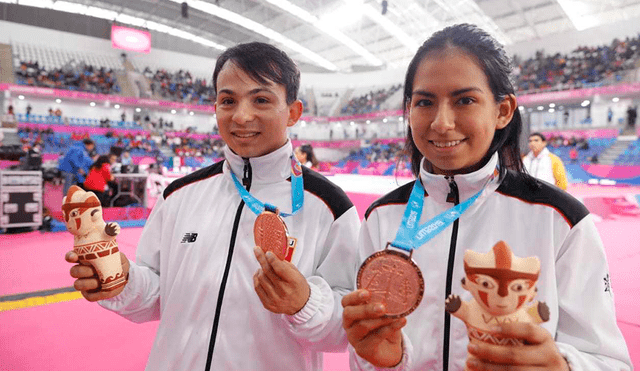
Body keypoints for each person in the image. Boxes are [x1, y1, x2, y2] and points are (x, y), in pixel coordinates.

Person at [341, 24, 631, 371]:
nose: (441, 122)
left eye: (464, 100)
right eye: (424, 102)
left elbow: (610, 362)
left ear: (503, 111)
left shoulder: (560, 219)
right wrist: (383, 362)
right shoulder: (382, 217)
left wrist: (563, 366)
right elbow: (368, 356)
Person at [65, 42, 360, 371]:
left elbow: (344, 329)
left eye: (261, 99)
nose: (241, 115)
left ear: (293, 112)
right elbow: (156, 294)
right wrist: (122, 279)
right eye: (228, 100)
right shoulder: (179, 194)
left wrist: (304, 304)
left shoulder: (330, 208)